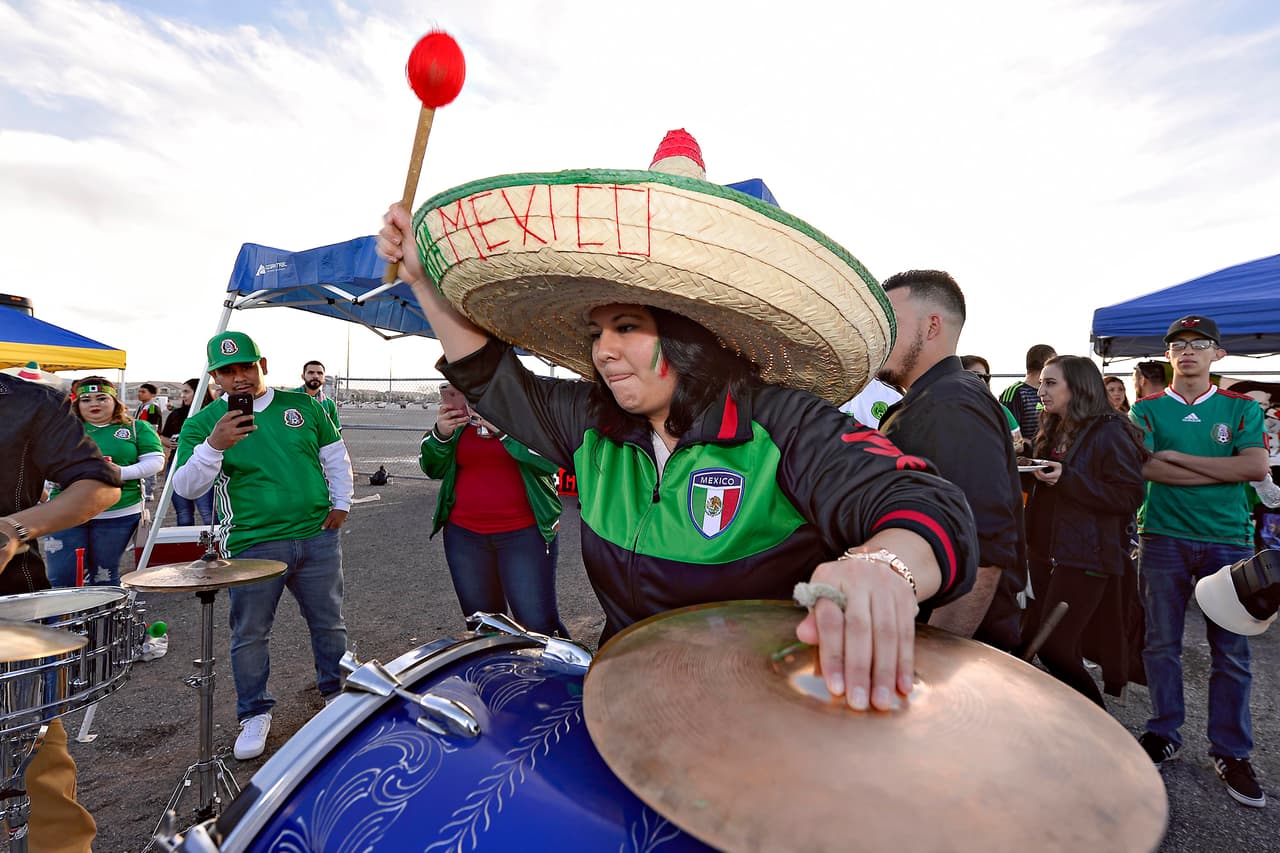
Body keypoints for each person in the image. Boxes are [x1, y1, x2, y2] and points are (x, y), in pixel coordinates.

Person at [376, 130, 978, 712]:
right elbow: (491, 378)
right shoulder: (593, 424)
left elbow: (925, 502)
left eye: (627, 327)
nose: (603, 351)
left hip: (761, 723)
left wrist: (882, 567)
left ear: (693, 335)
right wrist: (422, 282)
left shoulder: (781, 425)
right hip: (624, 708)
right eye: (598, 332)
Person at [171, 331, 354, 760]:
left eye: (246, 367)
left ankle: (337, 692)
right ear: (214, 377)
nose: (239, 378)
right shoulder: (203, 423)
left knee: (329, 622)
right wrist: (214, 446)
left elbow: (335, 456)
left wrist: (342, 503)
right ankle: (254, 712)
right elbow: (185, 486)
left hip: (316, 536)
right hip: (252, 542)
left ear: (263, 366)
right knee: (250, 632)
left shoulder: (304, 406)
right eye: (227, 372)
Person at [1129, 314, 1269, 808]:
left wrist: (1176, 459)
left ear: (1217, 354)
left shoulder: (1240, 408)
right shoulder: (1145, 409)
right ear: (1168, 355)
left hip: (1227, 539)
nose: (1187, 351)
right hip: (1162, 535)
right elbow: (1143, 467)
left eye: (1199, 343)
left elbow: (1254, 466)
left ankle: (1231, 751)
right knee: (1160, 643)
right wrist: (1221, 470)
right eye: (1178, 344)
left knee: (1230, 652)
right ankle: (1164, 731)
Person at [1, 372, 122, 853]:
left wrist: (14, 529)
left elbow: (99, 484)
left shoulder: (27, 402)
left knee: (41, 794)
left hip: (8, 623)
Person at [876, 271, 1027, 651]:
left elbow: (984, 551)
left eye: (892, 322)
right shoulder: (934, 400)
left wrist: (936, 657)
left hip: (952, 650)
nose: (880, 335)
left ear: (932, 326)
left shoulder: (950, 404)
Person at [1019, 356, 1147, 706]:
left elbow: (1129, 495)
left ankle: (1097, 725)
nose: (1040, 391)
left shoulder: (1110, 430)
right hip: (1045, 553)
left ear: (1078, 388)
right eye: (1041, 383)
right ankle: (1058, 723)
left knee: (1056, 648)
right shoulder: (1055, 425)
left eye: (1050, 383)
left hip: (1086, 557)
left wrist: (1067, 478)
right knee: (1027, 640)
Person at [420, 382, 567, 635]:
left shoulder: (526, 411)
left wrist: (504, 431)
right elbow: (432, 468)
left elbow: (551, 461)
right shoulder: (458, 424)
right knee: (483, 626)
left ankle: (568, 662)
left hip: (525, 533)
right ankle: (495, 663)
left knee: (538, 624)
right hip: (464, 536)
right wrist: (441, 434)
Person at [43, 377, 165, 587]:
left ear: (114, 401)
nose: (94, 404)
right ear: (77, 403)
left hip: (118, 513)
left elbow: (155, 461)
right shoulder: (63, 429)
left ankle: (104, 610)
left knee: (104, 575)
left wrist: (120, 472)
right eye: (86, 399)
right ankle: (65, 609)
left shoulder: (137, 427)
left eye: (101, 398)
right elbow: (42, 461)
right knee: (62, 576)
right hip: (65, 512)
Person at [161, 378, 216, 526]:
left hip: (204, 465)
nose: (182, 395)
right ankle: (185, 540)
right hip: (177, 463)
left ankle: (217, 539)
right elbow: (164, 436)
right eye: (182, 392)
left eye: (186, 391)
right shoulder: (176, 414)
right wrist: (169, 442)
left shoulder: (212, 414)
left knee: (207, 512)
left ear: (199, 392)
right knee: (183, 512)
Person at [1000, 344, 1056, 450]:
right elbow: (1008, 433)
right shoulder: (1016, 391)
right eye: (1054, 362)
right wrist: (1030, 445)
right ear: (1046, 363)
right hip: (1025, 457)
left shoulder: (1053, 393)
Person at [962, 354, 1024, 448]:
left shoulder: (1000, 410)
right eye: (976, 376)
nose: (982, 381)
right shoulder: (946, 410)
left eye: (986, 377)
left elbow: (1019, 444)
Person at [133, 382, 164, 500]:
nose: (139, 394)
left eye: (143, 392)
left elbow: (153, 425)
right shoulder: (141, 407)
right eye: (139, 391)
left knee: (149, 464)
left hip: (148, 440)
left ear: (152, 394)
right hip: (139, 439)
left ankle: (149, 491)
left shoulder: (151, 407)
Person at [295, 360, 342, 431]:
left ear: (324, 378)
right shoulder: (290, 398)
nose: (315, 376)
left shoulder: (329, 404)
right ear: (303, 376)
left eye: (320, 373)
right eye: (311, 373)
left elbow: (337, 432)